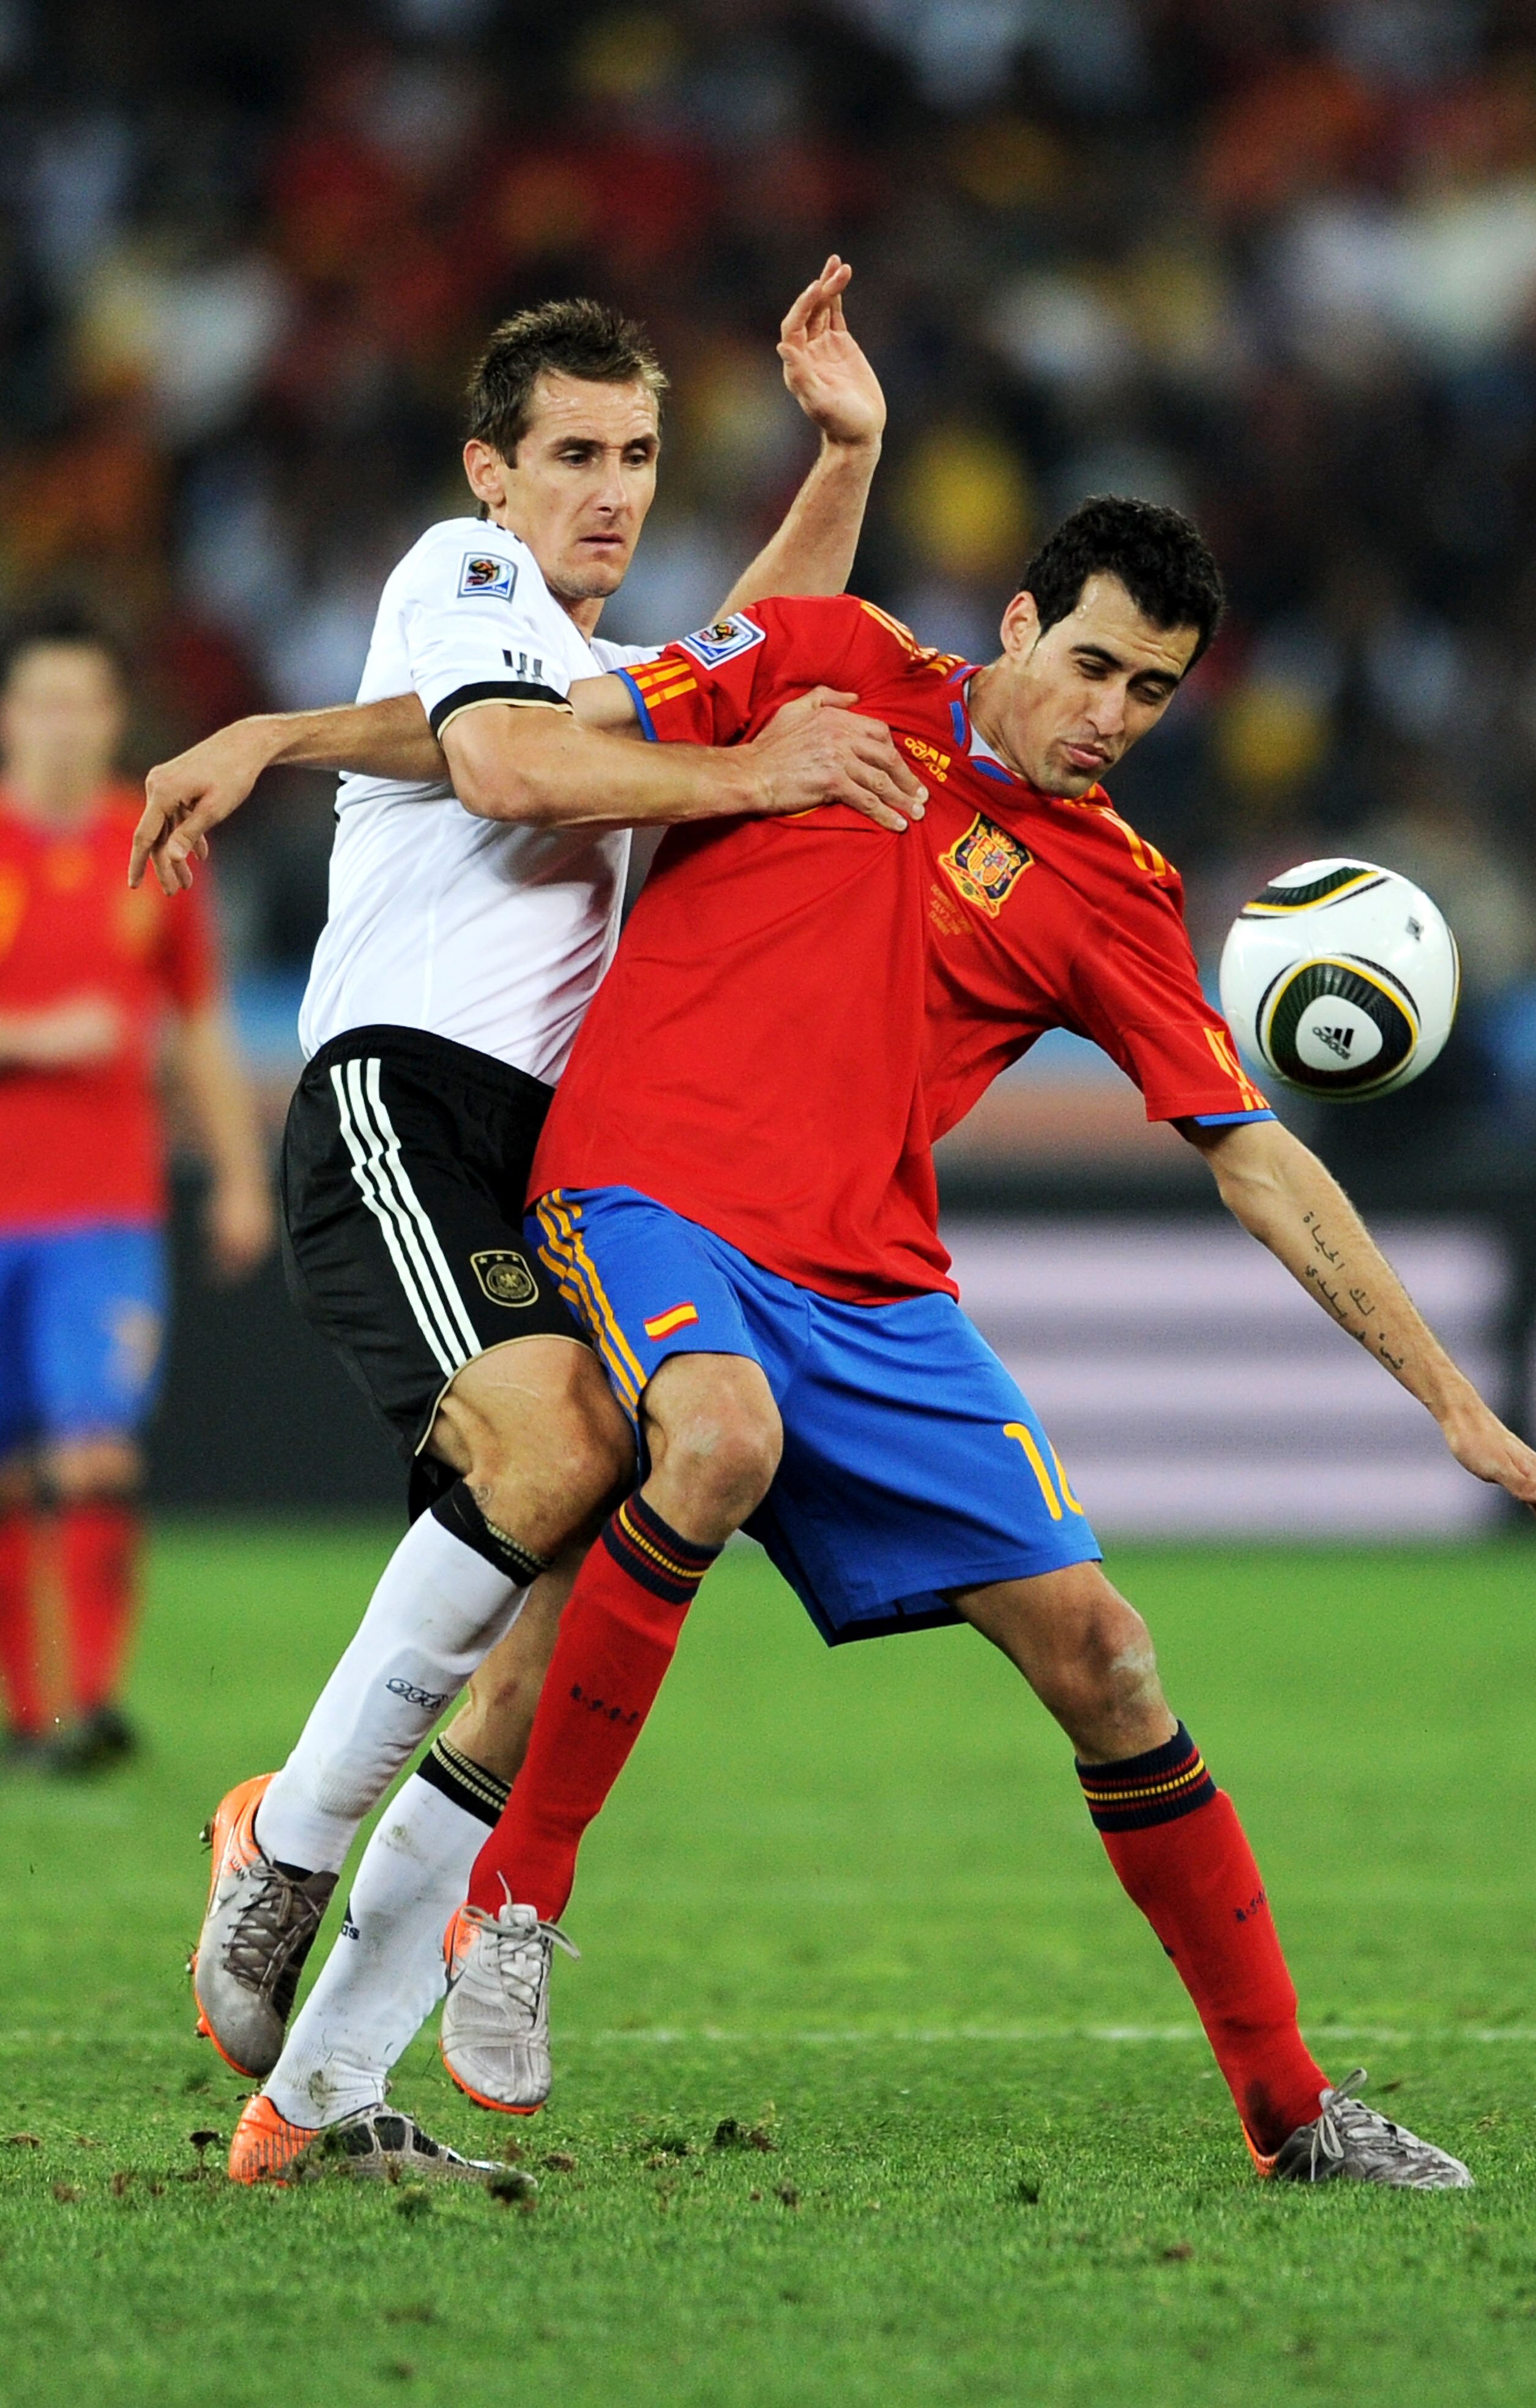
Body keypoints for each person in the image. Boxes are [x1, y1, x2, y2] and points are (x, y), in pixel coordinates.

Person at [420, 500, 1536, 2187]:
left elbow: (1254, 1155)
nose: (1111, 714)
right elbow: (552, 736)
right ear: (1022, 625)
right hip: (646, 1192)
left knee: (1108, 1657)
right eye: (1097, 664)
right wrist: (303, 741)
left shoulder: (1113, 890)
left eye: (1157, 692)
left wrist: (1458, 1410)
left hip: (875, 1289)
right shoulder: (829, 661)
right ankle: (513, 1904)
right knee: (722, 1439)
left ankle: (1289, 2113)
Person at [132, 264, 922, 2181]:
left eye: (642, 455)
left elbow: (765, 645)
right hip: (412, 1103)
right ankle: (288, 1840)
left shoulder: (602, 685)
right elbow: (497, 759)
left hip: (556, 1155)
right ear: (492, 472)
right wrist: (755, 766)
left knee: (573, 1607)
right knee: (562, 1440)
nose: (614, 490)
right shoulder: (459, 575)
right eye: (573, 454)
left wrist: (849, 448)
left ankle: (316, 2099)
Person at [0, 616, 271, 1770]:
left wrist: (240, 1175)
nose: (64, 723)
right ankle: (28, 1714)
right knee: (12, 1465)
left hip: (108, 1208)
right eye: (43, 701)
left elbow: (201, 1024)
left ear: (114, 719)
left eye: (85, 702)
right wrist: (32, 1034)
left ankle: (93, 1705)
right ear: (11, 715)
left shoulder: (148, 844)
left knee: (97, 1448)